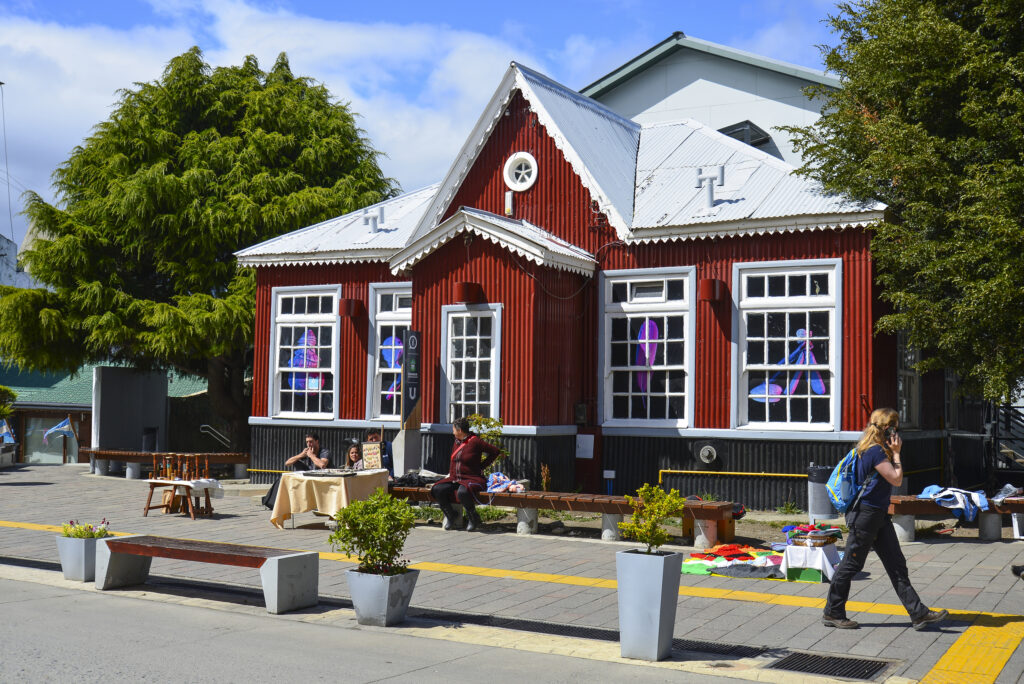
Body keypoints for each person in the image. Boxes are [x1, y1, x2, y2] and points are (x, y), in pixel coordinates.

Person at [822, 408, 948, 630]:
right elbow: (896, 479)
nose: (896, 433)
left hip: (877, 516)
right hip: (866, 516)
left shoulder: (868, 449)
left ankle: (918, 614)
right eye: (895, 428)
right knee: (851, 564)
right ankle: (833, 612)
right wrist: (897, 453)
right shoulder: (875, 452)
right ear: (888, 428)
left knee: (896, 564)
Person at [430, 416, 502, 532]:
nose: (452, 431)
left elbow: (495, 452)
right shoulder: (456, 441)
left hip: (472, 478)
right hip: (455, 478)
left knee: (463, 492)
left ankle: (473, 517)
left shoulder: (475, 442)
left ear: (459, 431)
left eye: (453, 429)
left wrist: (481, 466)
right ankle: (451, 515)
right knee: (437, 489)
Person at [261, 433, 331, 510]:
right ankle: (272, 502)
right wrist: (301, 455)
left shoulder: (324, 452)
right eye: (307, 442)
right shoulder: (307, 452)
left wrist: (311, 455)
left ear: (317, 441)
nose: (309, 444)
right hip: (309, 477)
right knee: (283, 478)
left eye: (311, 442)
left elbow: (322, 465)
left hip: (323, 478)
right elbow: (287, 463)